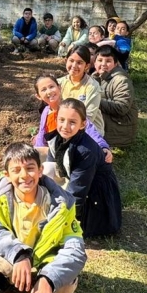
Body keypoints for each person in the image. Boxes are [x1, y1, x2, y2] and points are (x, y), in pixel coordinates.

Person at [0, 142, 86, 293]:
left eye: (30, 168)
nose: (24, 175)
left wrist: (49, 278)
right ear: (7, 175)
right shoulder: (2, 198)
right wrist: (20, 255)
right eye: (16, 170)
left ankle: (56, 292)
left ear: (40, 170)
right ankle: (5, 279)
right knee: (7, 265)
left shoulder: (61, 205)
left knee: (64, 285)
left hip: (47, 257)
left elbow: (75, 249)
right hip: (17, 254)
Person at [46, 99, 122, 237]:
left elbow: (78, 190)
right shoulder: (56, 139)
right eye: (61, 120)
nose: (65, 126)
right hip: (78, 180)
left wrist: (62, 220)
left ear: (83, 125)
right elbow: (49, 169)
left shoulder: (86, 151)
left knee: (77, 225)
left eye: (72, 122)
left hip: (95, 192)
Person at [32, 73, 113, 164]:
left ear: (59, 88)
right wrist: (36, 153)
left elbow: (89, 129)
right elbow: (42, 134)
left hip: (74, 152)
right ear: (38, 96)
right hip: (54, 153)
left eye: (51, 87)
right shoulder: (46, 112)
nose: (49, 91)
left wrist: (103, 146)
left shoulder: (70, 108)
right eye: (43, 89)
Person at [92, 45, 139, 148]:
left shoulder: (121, 80)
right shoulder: (96, 77)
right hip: (111, 123)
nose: (103, 64)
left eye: (108, 61)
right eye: (100, 60)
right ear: (94, 63)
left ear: (116, 63)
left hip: (121, 130)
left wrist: (94, 101)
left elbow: (121, 107)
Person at [58, 45, 105, 134]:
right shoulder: (59, 83)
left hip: (88, 130)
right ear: (66, 61)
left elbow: (89, 117)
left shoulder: (92, 86)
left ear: (87, 66)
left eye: (79, 62)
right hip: (64, 128)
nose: (74, 66)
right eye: (71, 61)